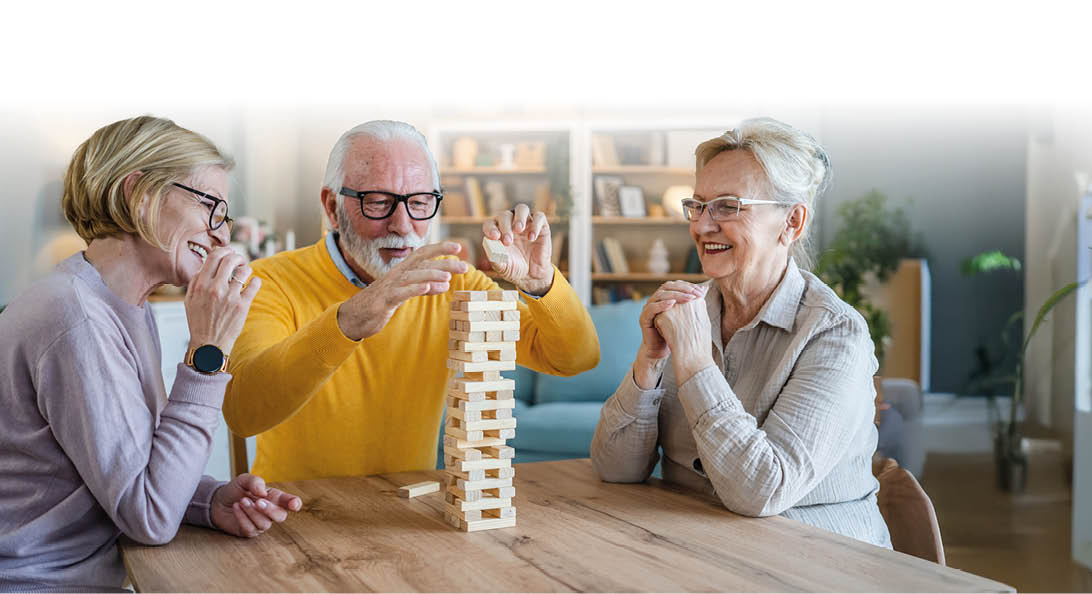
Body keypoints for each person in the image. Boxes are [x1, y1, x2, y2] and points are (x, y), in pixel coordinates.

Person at [0, 116, 301, 591]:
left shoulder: (122, 307)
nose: (222, 236)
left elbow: (134, 472)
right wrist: (209, 352)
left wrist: (208, 500)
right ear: (138, 194)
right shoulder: (74, 318)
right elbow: (150, 516)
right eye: (211, 208)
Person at [223, 120, 599, 482]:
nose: (403, 225)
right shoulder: (268, 281)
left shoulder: (452, 281)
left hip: (406, 513)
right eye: (378, 202)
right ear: (331, 206)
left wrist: (540, 281)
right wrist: (347, 323)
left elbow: (575, 358)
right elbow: (243, 412)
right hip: (292, 513)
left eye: (419, 202)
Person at [590, 117, 892, 547]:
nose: (701, 226)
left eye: (728, 206)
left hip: (817, 559)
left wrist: (693, 361)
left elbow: (762, 489)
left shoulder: (835, 334)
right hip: (696, 548)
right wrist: (649, 361)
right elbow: (614, 469)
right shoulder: (690, 311)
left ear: (792, 223)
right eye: (697, 205)